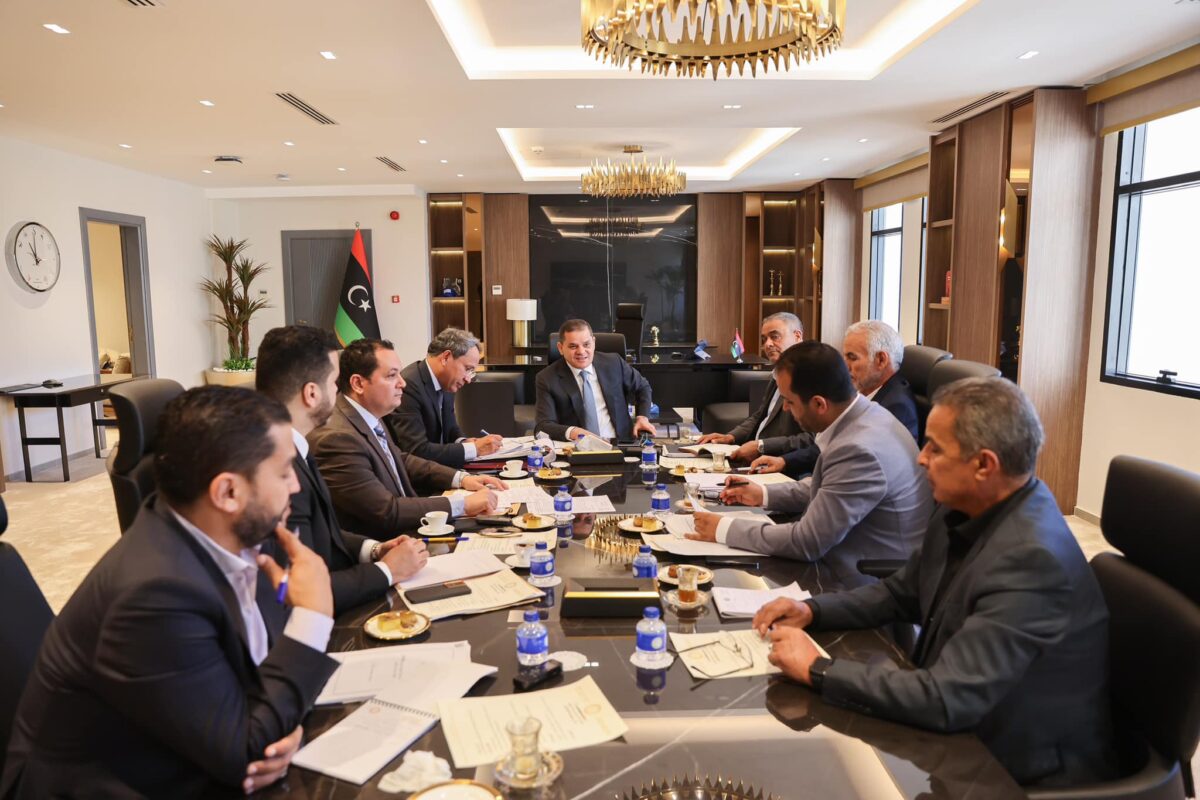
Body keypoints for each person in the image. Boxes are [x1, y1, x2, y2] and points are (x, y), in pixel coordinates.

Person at [753, 377, 1116, 787]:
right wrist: (812, 610)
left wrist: (818, 669)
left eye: (935, 449)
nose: (921, 459)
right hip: (961, 725)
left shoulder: (1031, 561)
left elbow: (947, 698)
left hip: (1015, 770)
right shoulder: (962, 507)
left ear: (984, 465)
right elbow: (899, 593)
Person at [2, 387, 338, 797]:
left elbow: (259, 686)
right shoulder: (155, 594)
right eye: (284, 472)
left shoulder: (240, 531)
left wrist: (282, 725)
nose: (296, 486)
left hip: (196, 745)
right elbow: (246, 753)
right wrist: (313, 616)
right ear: (228, 492)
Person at [689, 342, 930, 586]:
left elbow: (807, 543)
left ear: (819, 404)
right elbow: (829, 486)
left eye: (789, 402)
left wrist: (724, 529)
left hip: (858, 579)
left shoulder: (859, 448)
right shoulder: (867, 415)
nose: (785, 408)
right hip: (839, 553)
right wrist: (762, 493)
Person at [256, 325, 428, 613]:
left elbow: (321, 534)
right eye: (334, 382)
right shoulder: (275, 470)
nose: (338, 391)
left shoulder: (297, 445)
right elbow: (294, 589)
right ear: (312, 393)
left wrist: (374, 550)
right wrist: (387, 571)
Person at [308, 338, 504, 535]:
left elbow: (400, 459)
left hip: (409, 525)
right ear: (358, 383)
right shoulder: (337, 438)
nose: (402, 383)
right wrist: (462, 504)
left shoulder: (367, 415)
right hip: (389, 541)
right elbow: (387, 511)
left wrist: (461, 479)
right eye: (392, 375)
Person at [697, 312, 817, 475]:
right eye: (764, 339)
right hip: (753, 460)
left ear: (797, 336)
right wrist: (730, 437)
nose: (767, 344)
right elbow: (760, 415)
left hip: (783, 468)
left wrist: (762, 446)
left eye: (775, 337)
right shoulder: (777, 372)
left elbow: (812, 439)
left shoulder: (812, 375)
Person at [385, 327, 503, 468]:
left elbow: (450, 428)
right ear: (446, 357)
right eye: (468, 369)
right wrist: (474, 449)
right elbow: (417, 451)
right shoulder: (409, 386)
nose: (468, 379)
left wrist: (464, 442)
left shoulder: (446, 381)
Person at [534, 319, 656, 441]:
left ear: (593, 342)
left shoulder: (613, 363)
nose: (581, 351)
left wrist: (642, 417)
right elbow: (543, 426)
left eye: (586, 345)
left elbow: (642, 387)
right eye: (573, 346)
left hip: (621, 443)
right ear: (560, 348)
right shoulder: (547, 378)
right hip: (578, 446)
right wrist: (572, 432)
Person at [842, 320, 918, 441]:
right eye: (844, 357)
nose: (844, 366)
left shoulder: (897, 407)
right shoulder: (859, 389)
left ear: (881, 360)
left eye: (852, 358)